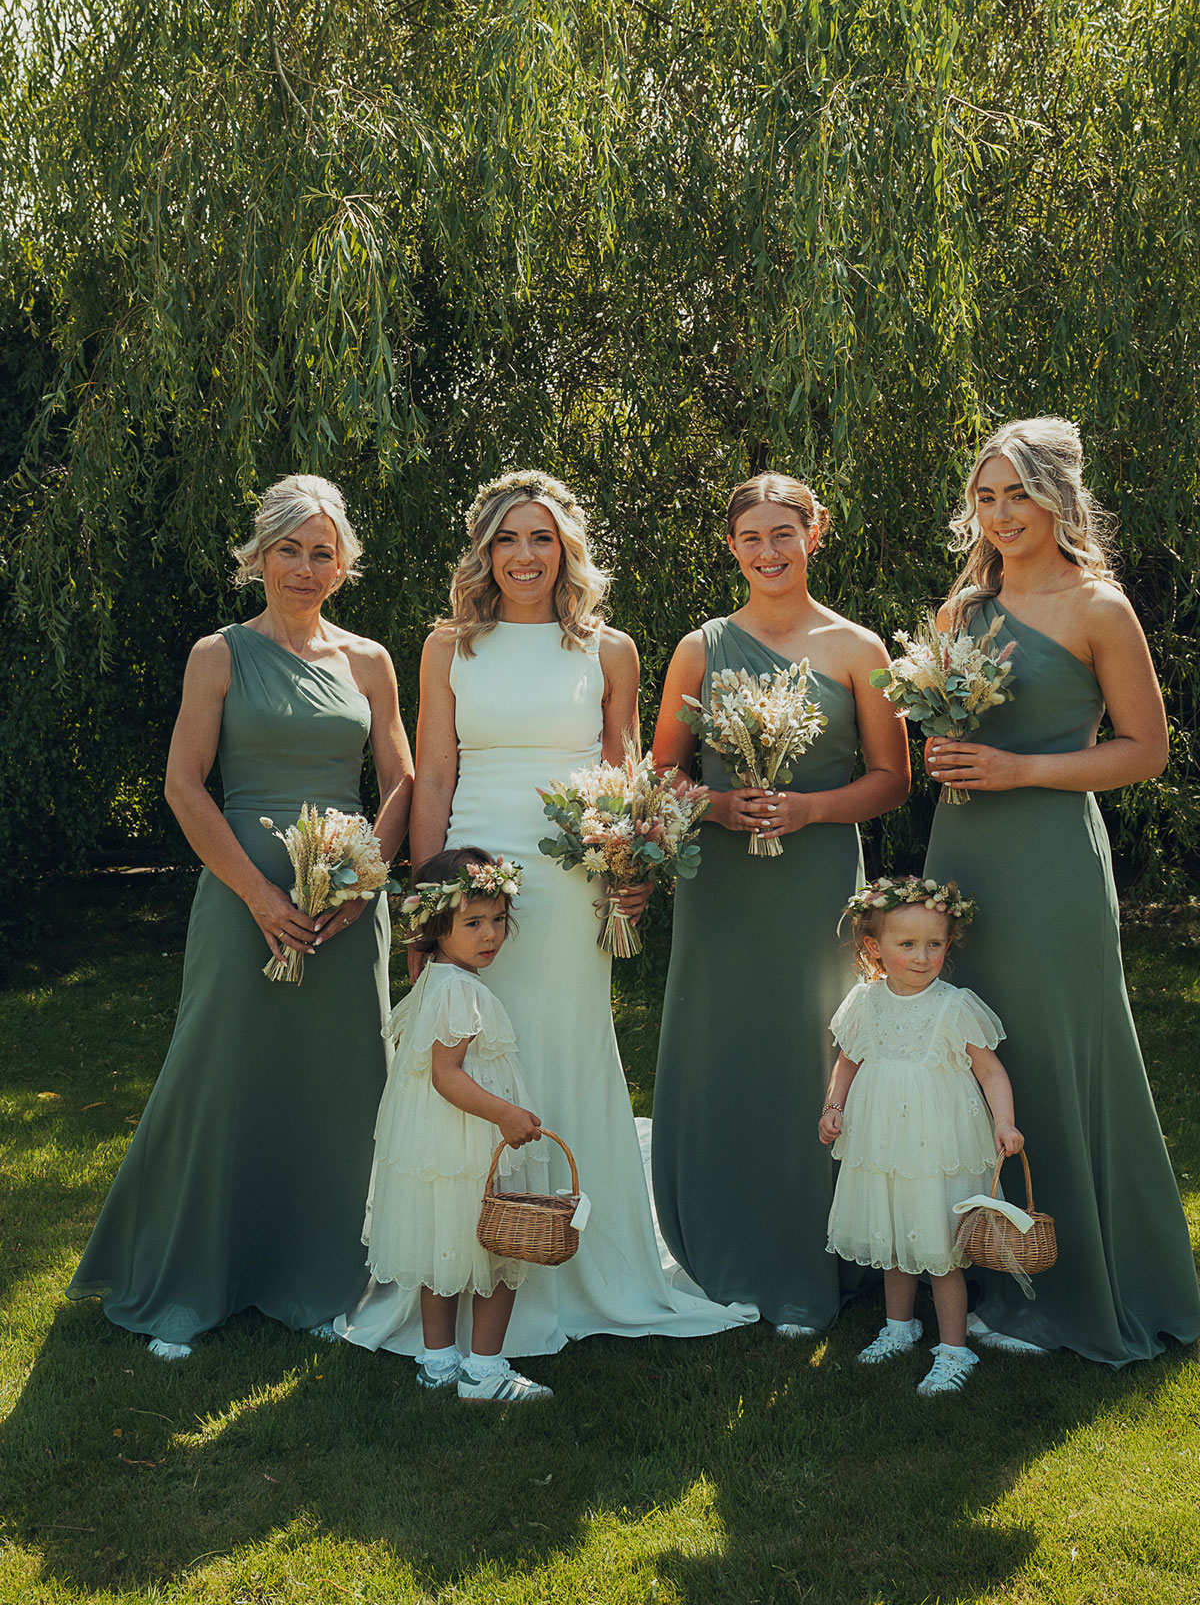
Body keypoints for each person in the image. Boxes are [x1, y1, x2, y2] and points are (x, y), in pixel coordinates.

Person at [340, 469, 755, 1356]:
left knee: (563, 1044)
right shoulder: (449, 646)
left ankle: (576, 1261)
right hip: (475, 870)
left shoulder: (609, 650)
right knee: (472, 1053)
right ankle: (460, 1266)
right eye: (506, 539)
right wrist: (428, 898)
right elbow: (437, 774)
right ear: (484, 552)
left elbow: (624, 774)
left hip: (569, 881)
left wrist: (629, 868)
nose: (524, 556)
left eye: (540, 538)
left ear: (565, 548)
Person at [68, 474, 414, 1357]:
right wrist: (257, 893)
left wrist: (361, 884)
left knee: (343, 1085)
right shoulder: (216, 654)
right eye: (288, 550)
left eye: (321, 552)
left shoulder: (369, 661)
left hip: (344, 908)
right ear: (257, 557)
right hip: (239, 900)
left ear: (343, 566)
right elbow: (185, 784)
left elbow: (404, 782)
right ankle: (190, 1282)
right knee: (218, 1075)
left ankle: (331, 1277)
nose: (304, 568)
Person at [923, 416, 1200, 1365]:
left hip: (1048, 857)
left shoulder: (1098, 608)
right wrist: (948, 752)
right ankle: (975, 1270)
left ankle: (1083, 1279)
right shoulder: (962, 608)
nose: (1001, 515)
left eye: (1018, 495)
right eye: (985, 497)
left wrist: (1020, 770)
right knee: (957, 1042)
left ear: (1057, 498)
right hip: (962, 845)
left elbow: (1146, 751)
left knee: (1054, 1043)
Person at [650, 472, 910, 1334]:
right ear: (732, 547)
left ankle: (817, 1249)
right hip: (721, 880)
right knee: (722, 1044)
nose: (768, 552)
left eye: (783, 534)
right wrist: (718, 807)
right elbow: (661, 777)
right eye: (751, 537)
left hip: (819, 875)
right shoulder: (700, 647)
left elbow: (892, 780)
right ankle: (717, 1239)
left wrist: (807, 809)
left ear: (815, 534)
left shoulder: (856, 648)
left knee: (815, 1047)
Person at [820, 876, 1023, 1396]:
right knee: (892, 1237)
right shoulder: (864, 1001)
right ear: (874, 948)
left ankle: (955, 1350)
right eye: (906, 944)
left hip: (937, 1145)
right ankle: (899, 1327)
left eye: (934, 944)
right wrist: (833, 1107)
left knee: (938, 1246)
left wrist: (1004, 1121)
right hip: (882, 1142)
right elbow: (847, 1063)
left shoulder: (954, 1006)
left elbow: (990, 1071)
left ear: (947, 946)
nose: (921, 956)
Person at [367, 848, 552, 1402]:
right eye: (473, 923)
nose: (490, 934)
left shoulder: (439, 980)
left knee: (442, 1241)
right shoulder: (458, 990)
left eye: (497, 920)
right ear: (435, 926)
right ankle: (484, 1370)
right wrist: (506, 1115)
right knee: (498, 1244)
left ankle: (438, 1360)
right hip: (471, 1137)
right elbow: (446, 1075)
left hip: (441, 1142)